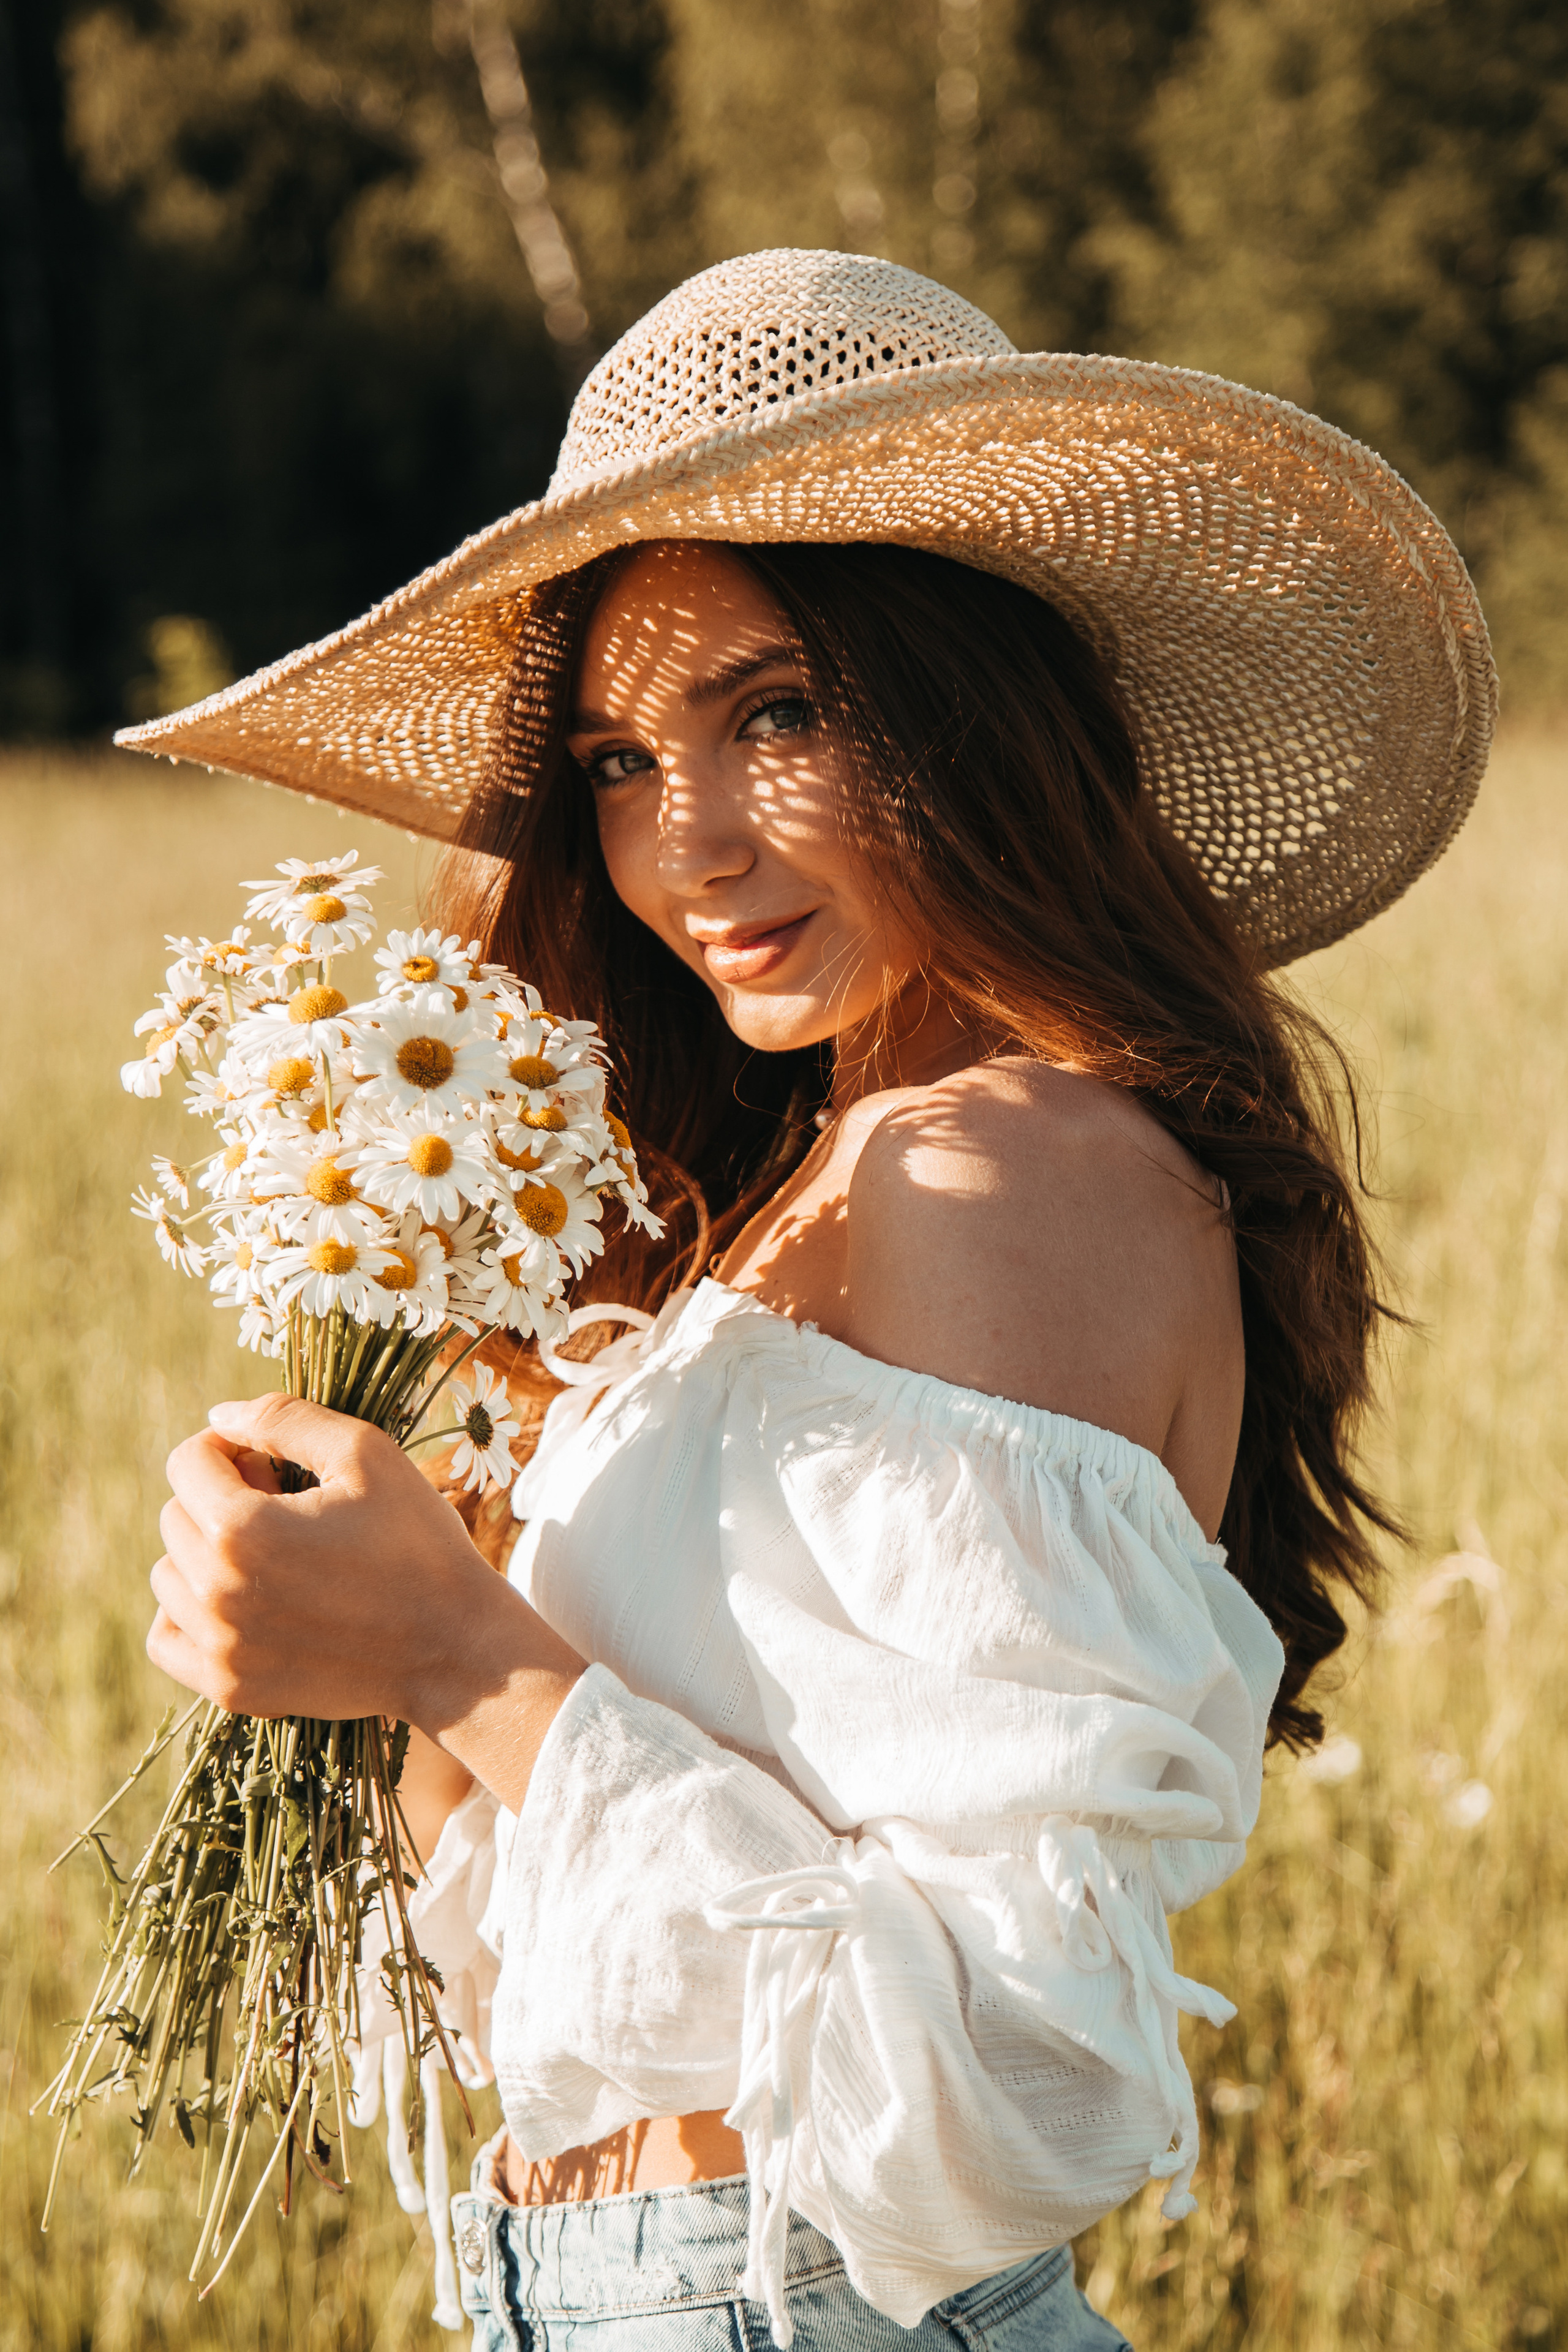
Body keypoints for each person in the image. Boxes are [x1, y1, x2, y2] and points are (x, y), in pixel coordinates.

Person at [126, 250, 1494, 2350]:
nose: (688, 855)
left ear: (977, 710)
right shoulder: (815, 1187)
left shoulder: (1000, 1169)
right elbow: (591, 1930)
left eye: (776, 713)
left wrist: (452, 1646)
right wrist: (363, 1591)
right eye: (610, 761)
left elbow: (1005, 2088)